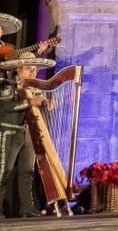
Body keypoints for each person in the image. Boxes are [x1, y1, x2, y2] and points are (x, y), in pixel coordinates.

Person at [0, 52, 54, 219]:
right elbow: (7, 107)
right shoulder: (7, 84)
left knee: (28, 171)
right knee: (4, 171)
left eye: (35, 70)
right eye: (30, 69)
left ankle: (27, 207)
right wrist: (30, 102)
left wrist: (47, 103)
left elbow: (38, 104)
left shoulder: (33, 88)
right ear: (20, 70)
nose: (33, 73)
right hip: (10, 130)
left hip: (28, 131)